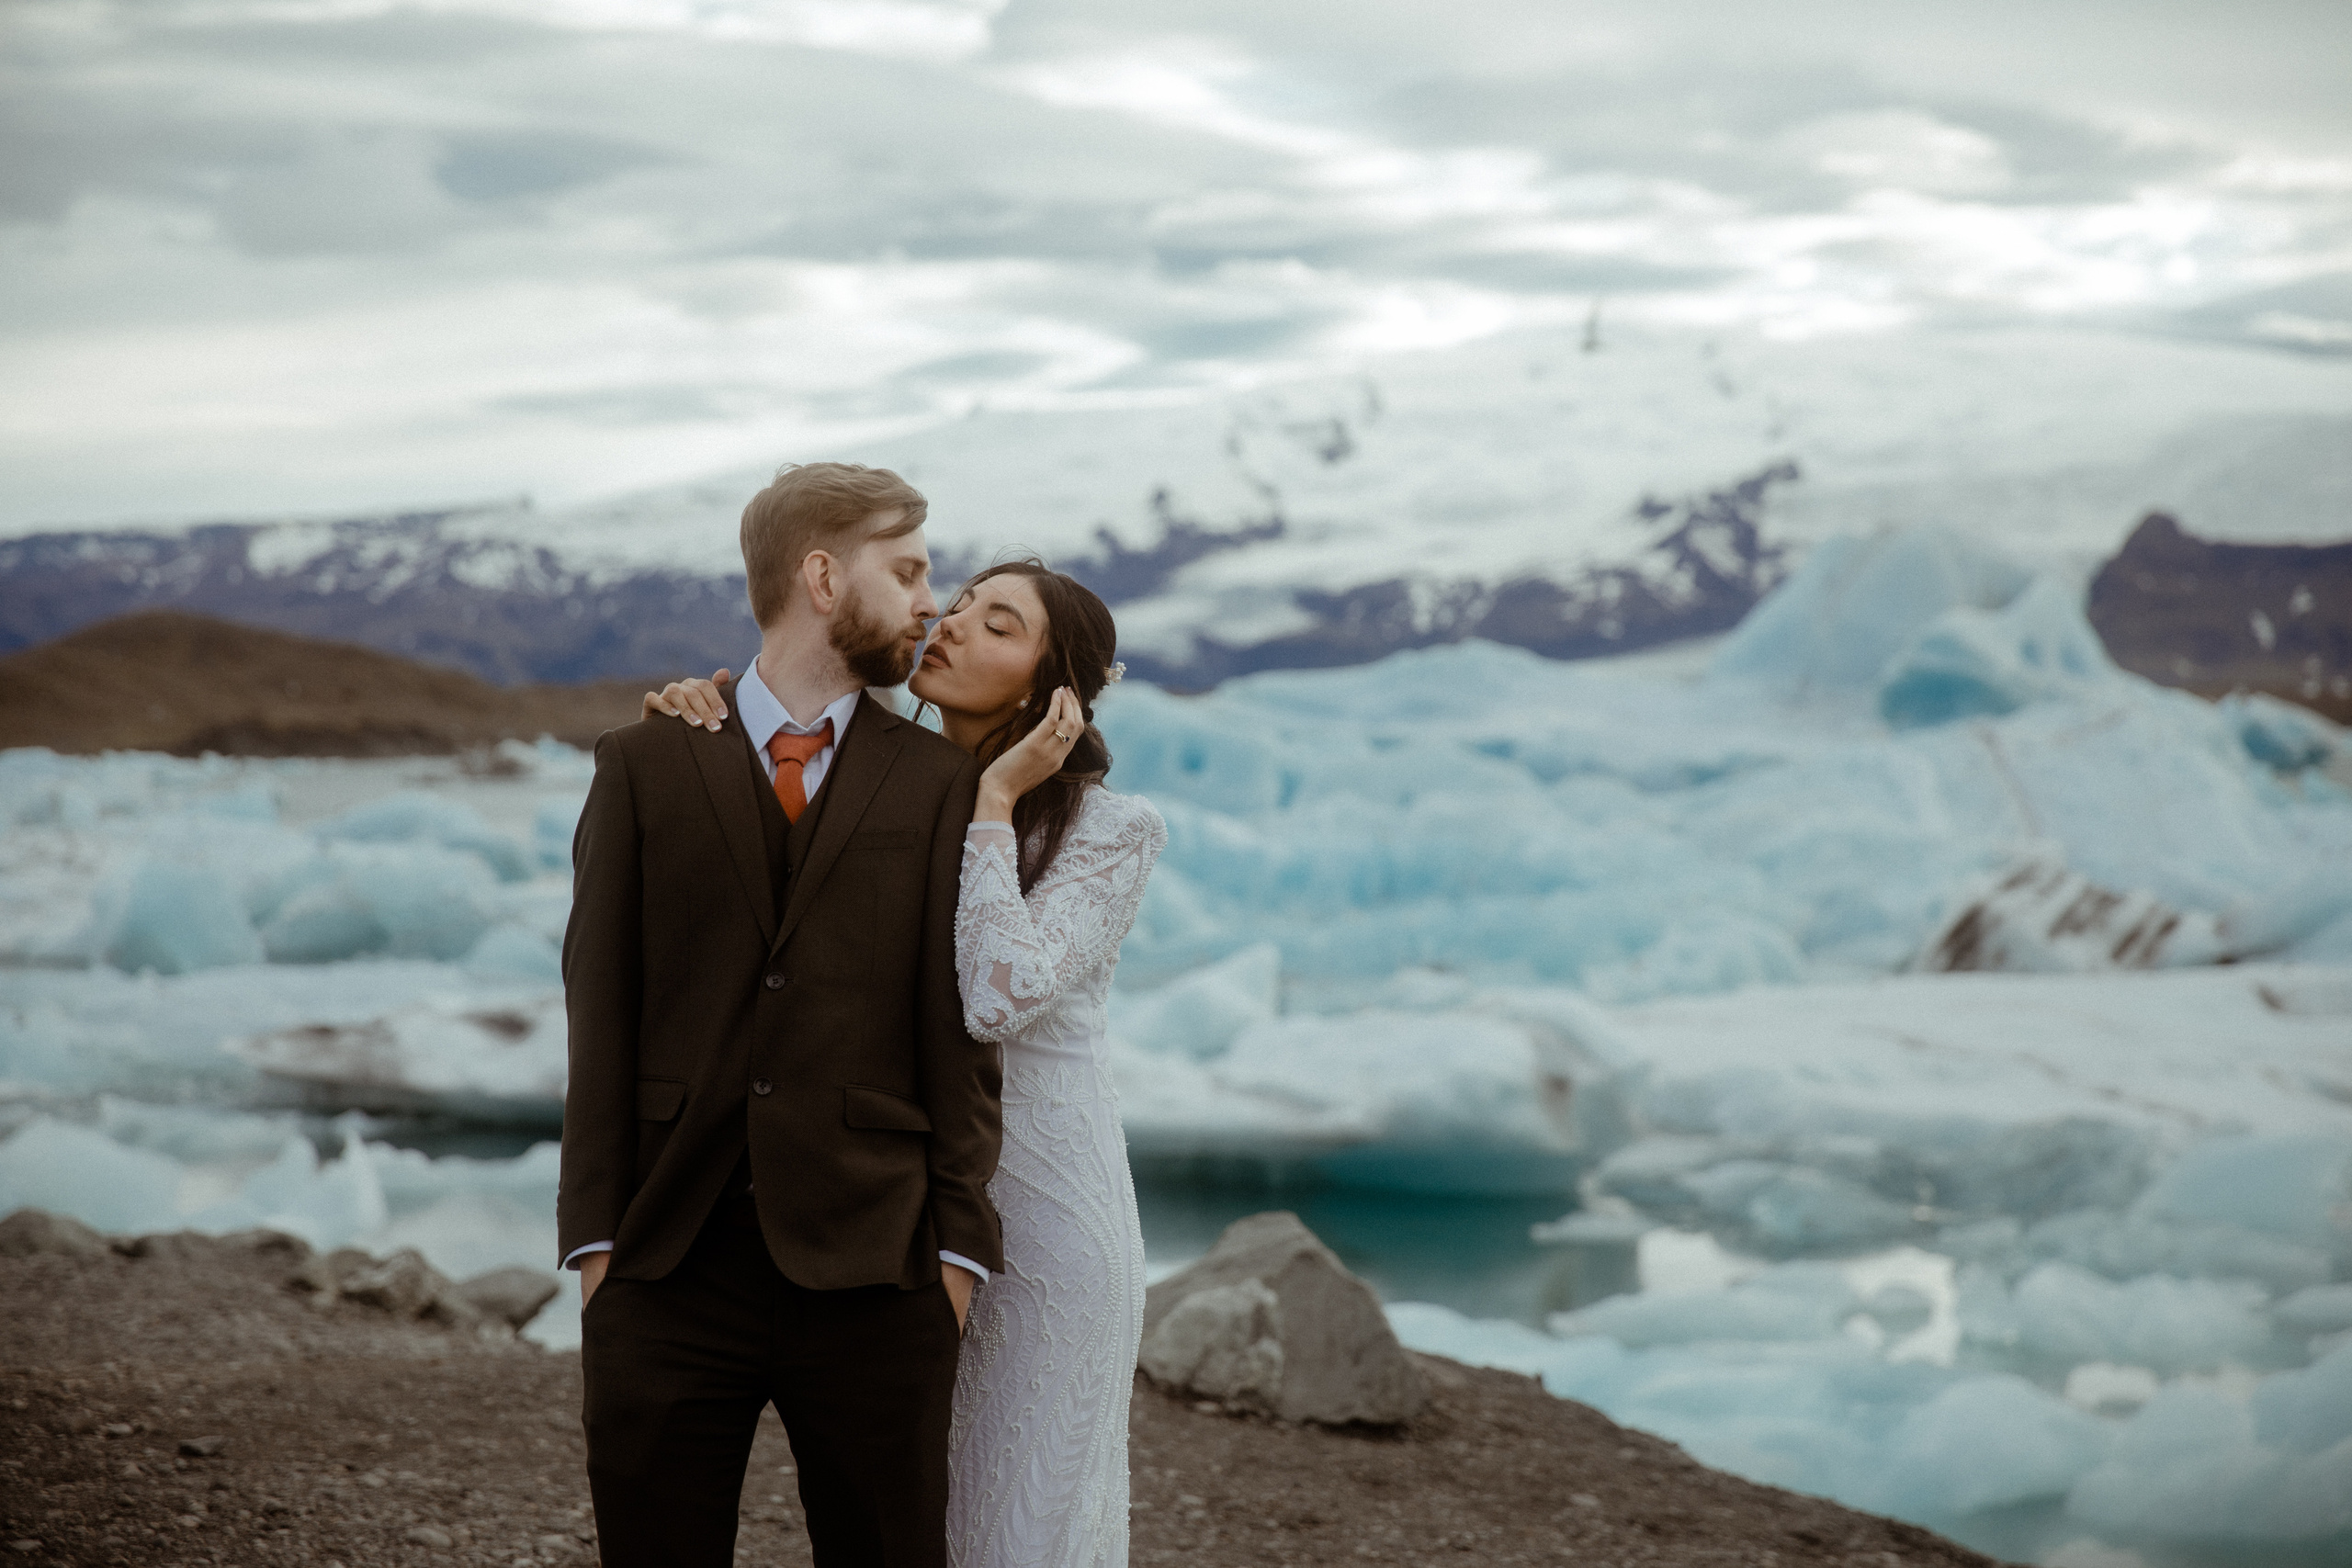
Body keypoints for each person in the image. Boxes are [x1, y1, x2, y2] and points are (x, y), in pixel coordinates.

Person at [646, 557, 1166, 1568]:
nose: (953, 624)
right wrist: (696, 723)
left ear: (1052, 690)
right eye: (959, 604)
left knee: (1019, 1522)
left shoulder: (1113, 830)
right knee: (910, 1521)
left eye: (999, 624)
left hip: (1050, 1225)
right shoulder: (883, 786)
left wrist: (994, 799)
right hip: (905, 1210)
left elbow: (1000, 995)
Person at [560, 461, 1003, 1568]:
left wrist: (955, 1259)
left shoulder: (939, 784)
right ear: (821, 577)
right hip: (666, 1262)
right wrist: (598, 1248)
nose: (928, 604)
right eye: (906, 572)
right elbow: (599, 1008)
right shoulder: (643, 763)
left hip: (879, 1270)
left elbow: (956, 1032)